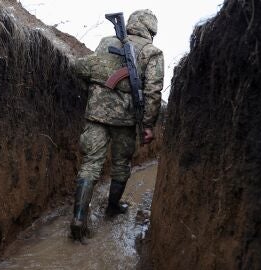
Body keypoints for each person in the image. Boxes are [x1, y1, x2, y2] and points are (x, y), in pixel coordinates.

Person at [70, 9, 164, 242]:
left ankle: (78, 219)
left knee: (90, 164)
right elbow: (153, 92)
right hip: (125, 121)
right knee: (121, 164)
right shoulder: (153, 52)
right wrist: (148, 124)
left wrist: (93, 93)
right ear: (151, 29)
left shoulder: (106, 42)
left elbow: (83, 69)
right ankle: (112, 207)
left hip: (96, 116)